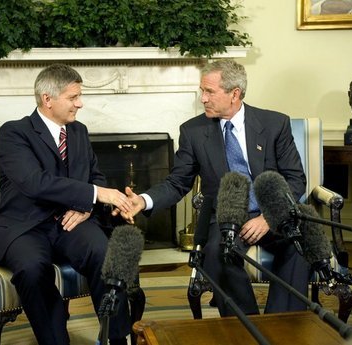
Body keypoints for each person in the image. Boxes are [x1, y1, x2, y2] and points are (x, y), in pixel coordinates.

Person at [118, 59, 310, 316]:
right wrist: (143, 201)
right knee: (218, 255)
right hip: (227, 217)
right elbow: (177, 182)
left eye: (209, 92)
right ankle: (247, 329)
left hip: (271, 212)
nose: (203, 99)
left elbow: (295, 178)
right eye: (202, 91)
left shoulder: (275, 124)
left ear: (235, 94)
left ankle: (281, 325)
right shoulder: (193, 131)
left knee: (299, 245)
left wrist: (268, 217)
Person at [0, 64, 133, 345]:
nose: (80, 103)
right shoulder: (14, 133)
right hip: (26, 226)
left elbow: (95, 177)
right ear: (47, 99)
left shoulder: (78, 131)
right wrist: (95, 194)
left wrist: (87, 207)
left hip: (72, 222)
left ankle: (117, 338)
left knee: (107, 254)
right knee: (31, 269)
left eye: (80, 96)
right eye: (73, 97)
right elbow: (35, 182)